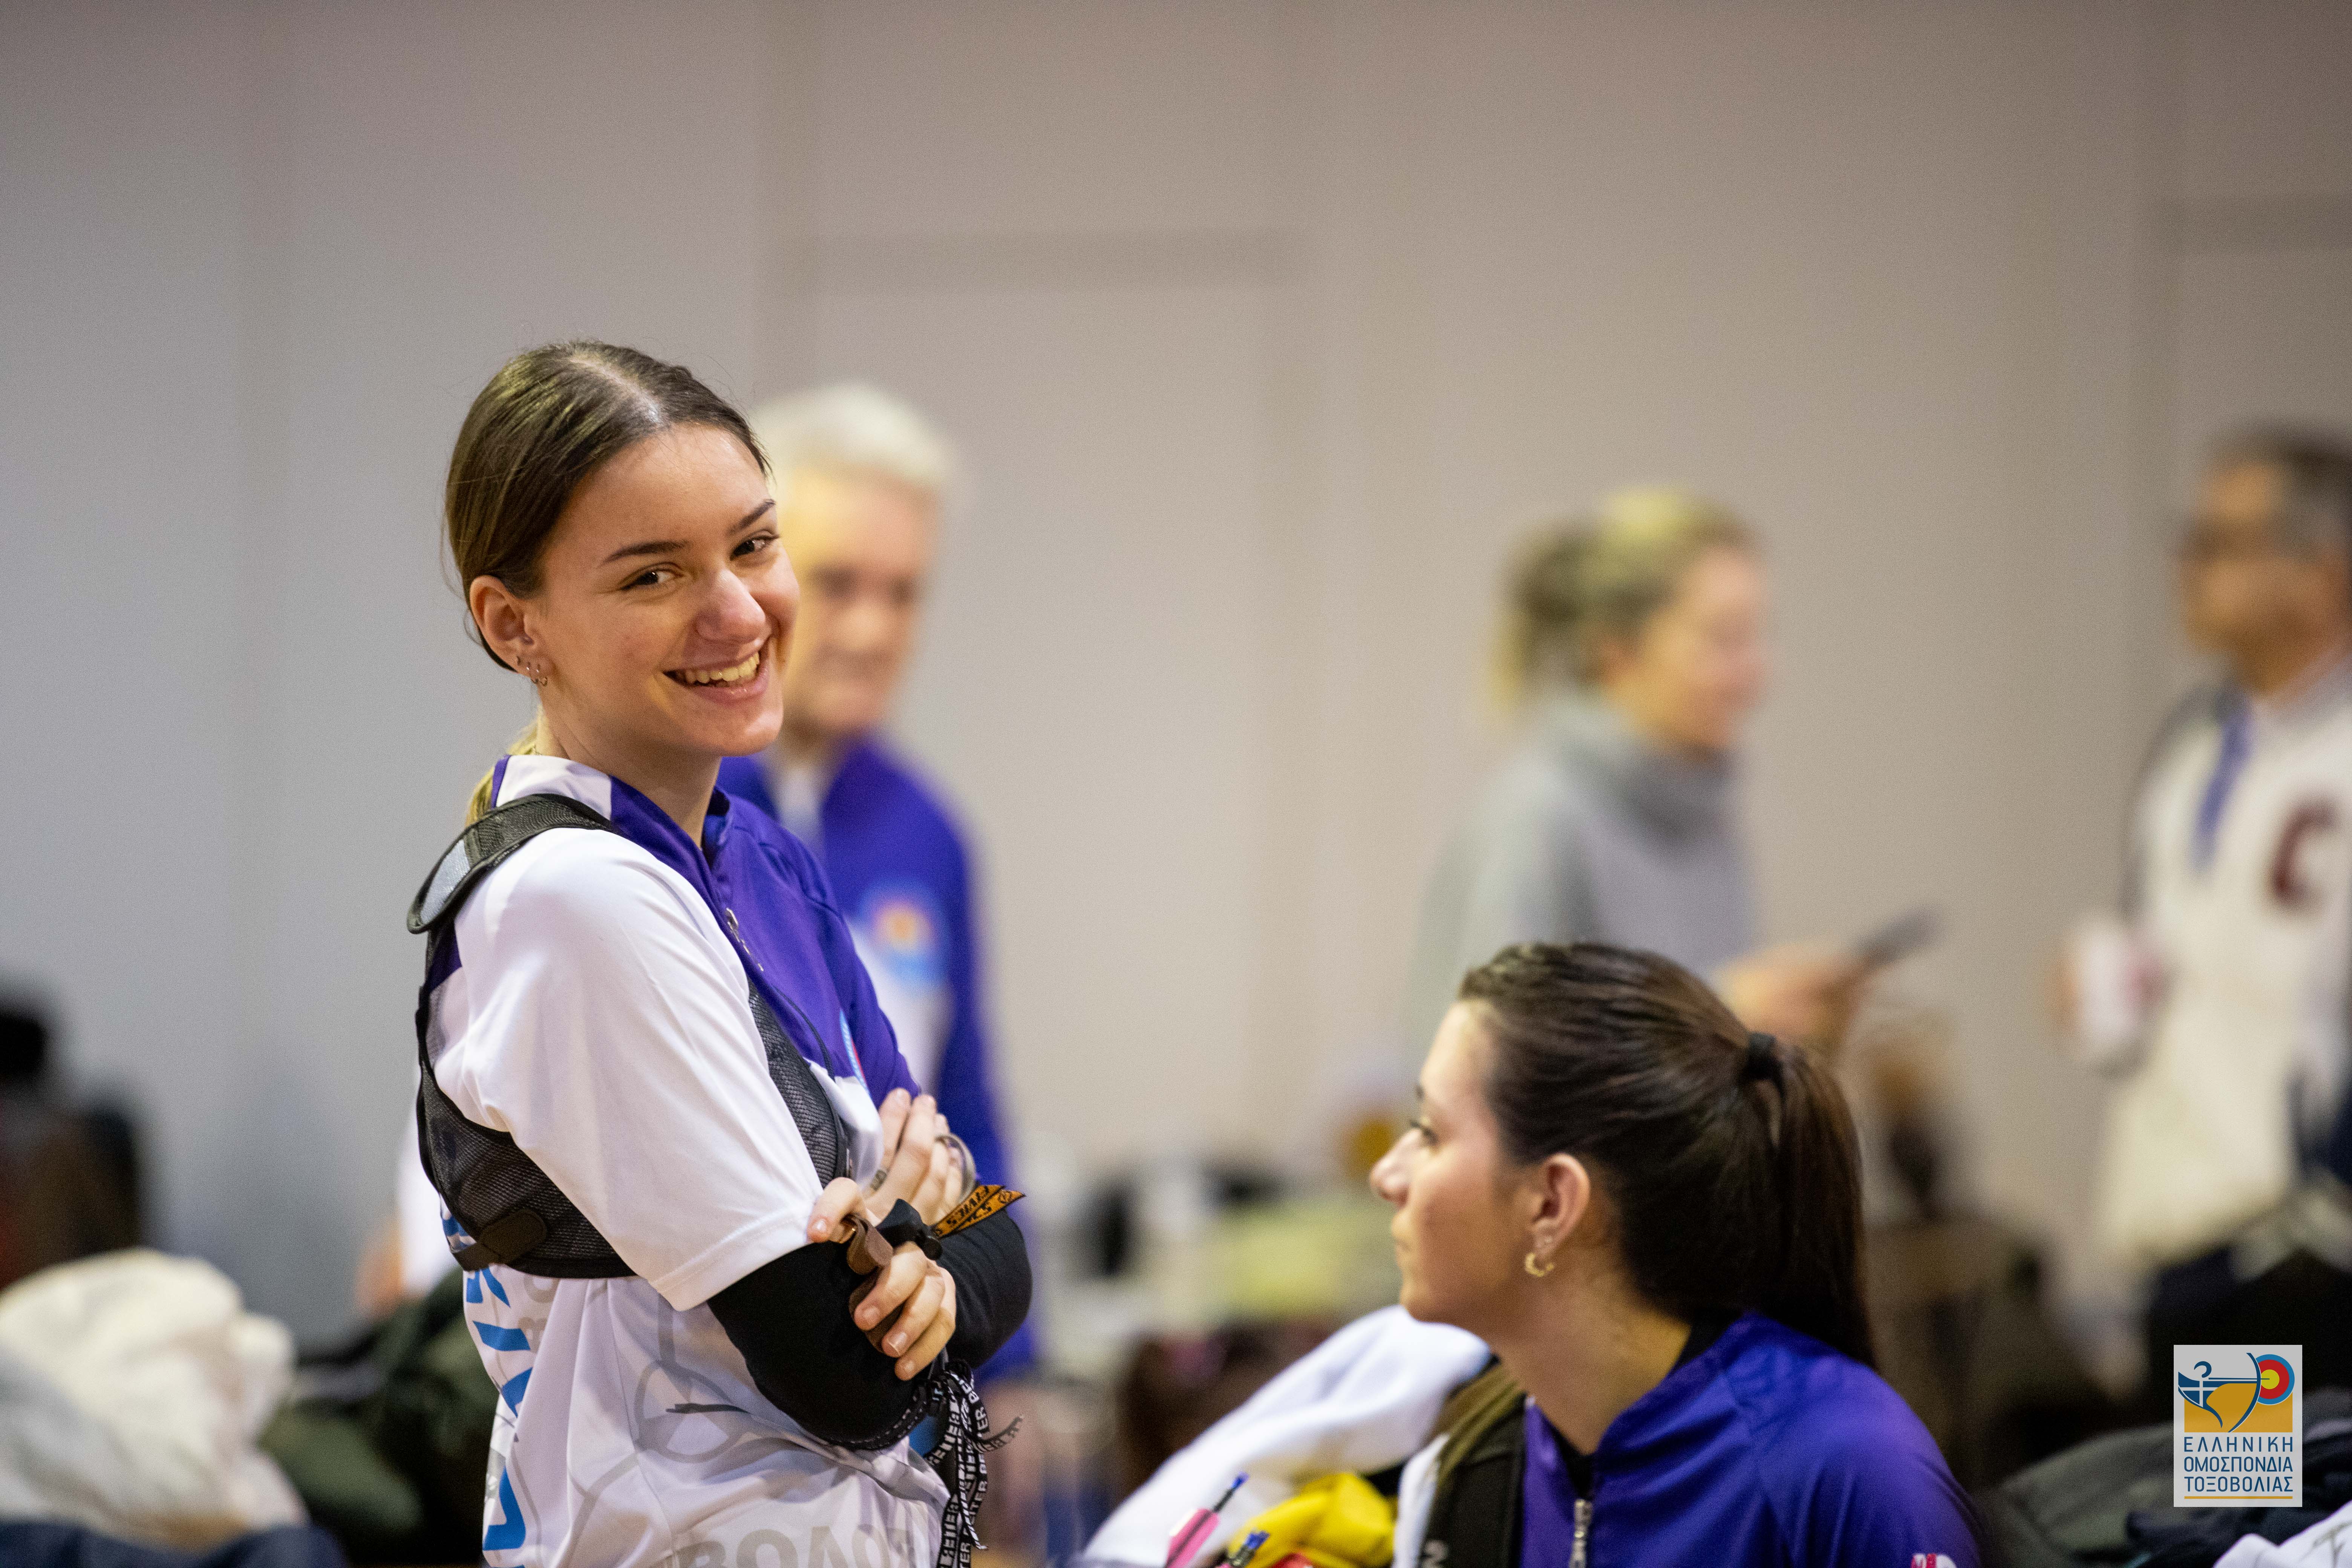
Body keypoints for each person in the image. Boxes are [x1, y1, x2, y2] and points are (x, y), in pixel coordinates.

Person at [414, 341, 1030, 1566]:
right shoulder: (579, 897)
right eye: (655, 574)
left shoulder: (763, 857)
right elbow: (842, 1371)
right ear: (513, 624)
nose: (742, 611)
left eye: (754, 546)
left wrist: (924, 1241)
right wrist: (921, 1222)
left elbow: (991, 1210)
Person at [1372, 942, 1978, 1566]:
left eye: (1430, 1132)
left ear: (1552, 1204)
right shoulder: (1474, 1465)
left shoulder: (1849, 1469)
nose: (1386, 1175)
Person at [712, 385, 1036, 1379]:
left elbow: (969, 1116)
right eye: (839, 583)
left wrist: (1010, 1358)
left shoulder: (930, 835)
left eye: (903, 593)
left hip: (891, 1362)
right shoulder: (673, 805)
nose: (873, 630)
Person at [2063, 428, 2352, 1401]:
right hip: (2176, 1236)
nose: (2187, 566)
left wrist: (2329, 1194)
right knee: (2192, 1497)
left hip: (2295, 1255)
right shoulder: (2194, 740)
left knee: (2254, 1500)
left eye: (2221, 542)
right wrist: (2106, 990)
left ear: (2320, 575)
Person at [1403, 487, 1864, 1060]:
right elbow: (1486, 1070)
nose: (1756, 674)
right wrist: (1717, 1015)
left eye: (1756, 636)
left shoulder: (1706, 820)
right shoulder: (1536, 822)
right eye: (1724, 639)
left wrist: (1779, 1043)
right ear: (1617, 650)